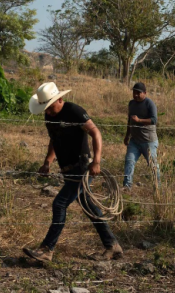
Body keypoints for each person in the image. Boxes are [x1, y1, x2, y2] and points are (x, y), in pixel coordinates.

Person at [23, 82, 122, 263]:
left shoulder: (74, 111)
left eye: (50, 107)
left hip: (81, 166)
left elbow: (96, 133)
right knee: (89, 207)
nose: (48, 112)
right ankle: (112, 245)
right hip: (67, 169)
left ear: (59, 99)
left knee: (59, 204)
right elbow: (54, 140)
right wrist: (47, 162)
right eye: (45, 108)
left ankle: (47, 249)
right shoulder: (49, 117)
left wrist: (97, 161)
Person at [123, 82, 160, 189]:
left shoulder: (149, 103)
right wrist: (127, 135)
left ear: (145, 93)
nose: (135, 95)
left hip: (148, 141)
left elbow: (154, 120)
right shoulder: (131, 103)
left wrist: (139, 120)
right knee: (129, 160)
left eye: (138, 93)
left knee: (153, 165)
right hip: (134, 140)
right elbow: (129, 120)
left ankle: (157, 187)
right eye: (134, 92)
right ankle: (127, 185)